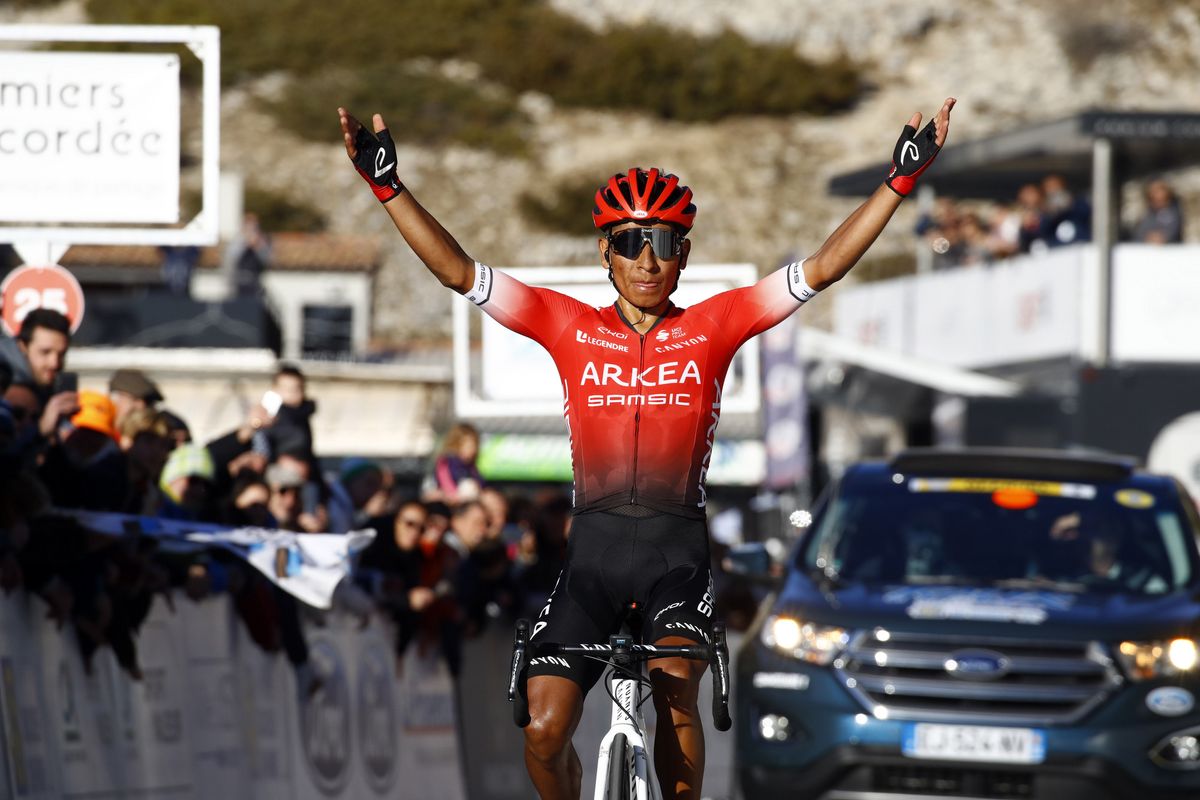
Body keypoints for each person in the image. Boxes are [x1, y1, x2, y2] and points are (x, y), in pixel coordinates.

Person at [339, 96, 955, 800]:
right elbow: (459, 272)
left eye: (663, 242)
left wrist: (897, 182)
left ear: (684, 253)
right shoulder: (564, 324)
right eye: (631, 241)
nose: (647, 259)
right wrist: (388, 188)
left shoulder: (716, 326)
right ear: (606, 250)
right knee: (542, 729)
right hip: (592, 558)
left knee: (675, 697)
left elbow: (822, 269)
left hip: (676, 559)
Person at [1133, 179, 1184, 244]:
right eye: (1153, 191)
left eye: (1159, 190)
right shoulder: (1147, 213)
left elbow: (1173, 231)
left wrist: (1163, 237)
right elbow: (1139, 233)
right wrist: (1147, 237)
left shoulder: (1175, 212)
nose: (1156, 194)